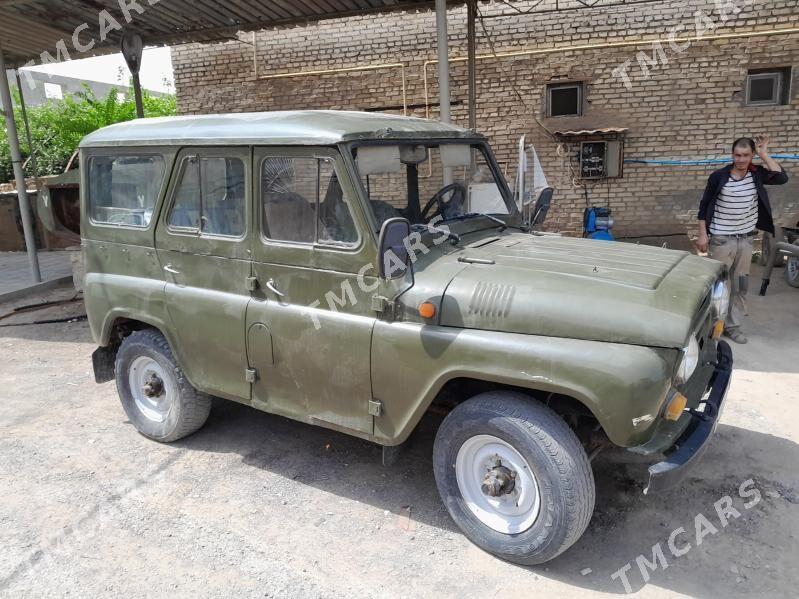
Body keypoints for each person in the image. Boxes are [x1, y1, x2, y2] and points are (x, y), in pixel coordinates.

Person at [697, 135, 788, 344]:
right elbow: (704, 206)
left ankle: (733, 326)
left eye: (746, 155)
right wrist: (703, 234)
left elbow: (781, 177)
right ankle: (711, 329)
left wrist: (764, 154)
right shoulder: (719, 176)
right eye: (737, 155)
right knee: (718, 286)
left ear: (752, 156)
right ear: (732, 155)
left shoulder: (757, 175)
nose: (741, 159)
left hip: (746, 240)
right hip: (721, 239)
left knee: (740, 286)